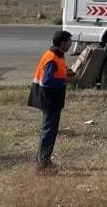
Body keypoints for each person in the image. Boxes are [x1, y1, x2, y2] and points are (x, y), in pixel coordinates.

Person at [28, 30, 75, 171]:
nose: (70, 44)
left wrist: (66, 72)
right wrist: (66, 79)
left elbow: (56, 73)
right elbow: (48, 80)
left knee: (50, 130)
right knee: (49, 131)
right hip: (49, 98)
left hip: (53, 97)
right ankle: (43, 163)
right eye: (69, 42)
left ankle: (44, 160)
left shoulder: (58, 55)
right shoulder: (52, 57)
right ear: (62, 43)